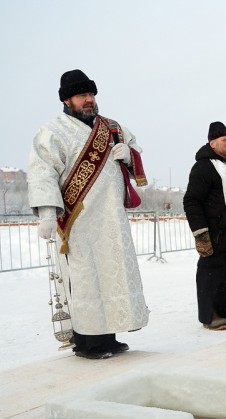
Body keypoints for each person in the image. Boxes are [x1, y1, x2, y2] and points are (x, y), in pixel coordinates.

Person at [27, 69, 149, 359]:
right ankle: (87, 342)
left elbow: (136, 154)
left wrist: (129, 155)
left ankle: (110, 337)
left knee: (112, 275)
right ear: (67, 100)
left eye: (92, 94)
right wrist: (46, 214)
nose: (89, 100)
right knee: (86, 280)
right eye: (82, 95)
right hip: (78, 220)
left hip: (112, 219)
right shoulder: (52, 131)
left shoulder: (112, 126)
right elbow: (42, 174)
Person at [183, 121, 226, 330]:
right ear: (213, 143)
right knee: (212, 273)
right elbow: (191, 200)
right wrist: (200, 233)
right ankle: (211, 314)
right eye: (225, 140)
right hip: (215, 231)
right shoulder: (203, 167)